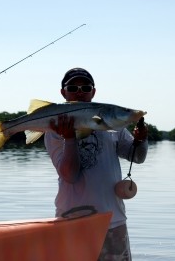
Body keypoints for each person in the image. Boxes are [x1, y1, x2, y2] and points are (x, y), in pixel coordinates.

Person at [44, 67, 148, 260]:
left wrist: (141, 140)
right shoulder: (54, 128)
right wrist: (69, 138)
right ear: (63, 92)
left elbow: (137, 157)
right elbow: (69, 175)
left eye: (85, 87)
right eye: (73, 87)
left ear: (93, 91)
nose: (80, 91)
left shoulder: (113, 125)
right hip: (71, 220)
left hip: (113, 221)